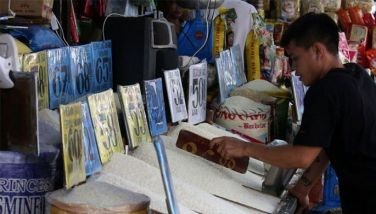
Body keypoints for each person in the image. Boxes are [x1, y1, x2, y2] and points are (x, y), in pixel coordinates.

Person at [210, 12, 376, 214]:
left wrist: (245, 148)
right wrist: (303, 187)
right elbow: (325, 144)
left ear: (317, 50)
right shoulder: (356, 75)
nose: (294, 71)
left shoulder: (326, 90)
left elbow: (302, 156)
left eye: (296, 59)